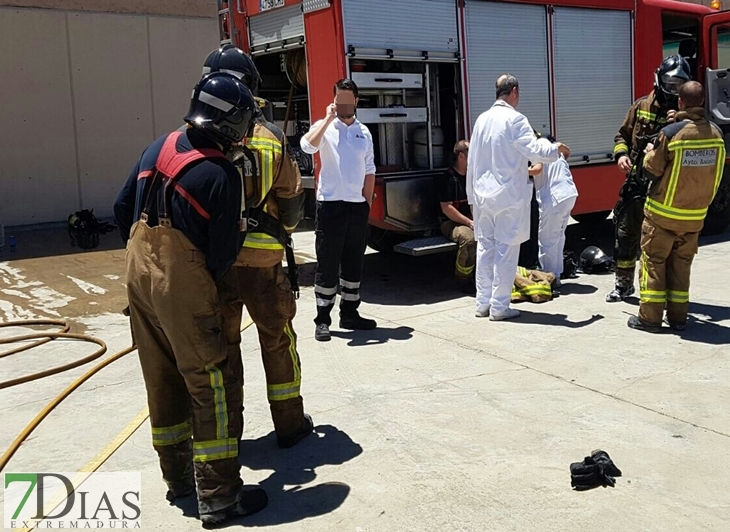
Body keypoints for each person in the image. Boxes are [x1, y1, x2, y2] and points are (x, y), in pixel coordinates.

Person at [113, 73, 268, 526]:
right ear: (228, 123)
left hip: (137, 276)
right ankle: (219, 497)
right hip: (181, 286)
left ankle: (178, 480)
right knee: (210, 384)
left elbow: (123, 208)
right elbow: (222, 254)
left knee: (161, 379)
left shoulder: (157, 146)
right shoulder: (220, 174)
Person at [201, 45, 314, 449]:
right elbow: (292, 203)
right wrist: (276, 227)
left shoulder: (197, 135)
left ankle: (229, 431)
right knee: (277, 339)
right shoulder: (270, 138)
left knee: (222, 347)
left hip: (215, 263)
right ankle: (289, 424)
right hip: (264, 263)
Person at [467, 74, 570, 321]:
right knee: (505, 252)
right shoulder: (515, 120)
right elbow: (535, 150)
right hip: (508, 199)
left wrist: (472, 197)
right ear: (514, 91)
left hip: (483, 197)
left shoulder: (481, 120)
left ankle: (482, 304)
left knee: (486, 250)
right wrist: (557, 149)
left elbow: (472, 161)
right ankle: (500, 307)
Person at [628, 81, 726, 333]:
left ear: (681, 102)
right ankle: (678, 318)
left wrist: (650, 150)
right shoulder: (717, 134)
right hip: (695, 216)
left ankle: (649, 318)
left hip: (663, 214)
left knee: (654, 263)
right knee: (682, 267)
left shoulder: (672, 133)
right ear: (702, 102)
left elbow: (652, 169)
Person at [608, 54, 691, 302]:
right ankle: (623, 285)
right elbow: (621, 135)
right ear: (659, 80)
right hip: (637, 183)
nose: (673, 90)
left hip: (666, 188)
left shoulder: (687, 115)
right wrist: (622, 156)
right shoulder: (641, 106)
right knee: (625, 233)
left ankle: (660, 291)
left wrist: (680, 122)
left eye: (679, 85)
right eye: (670, 83)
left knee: (661, 244)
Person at [301, 78, 377, 342]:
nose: (343, 103)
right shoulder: (325, 129)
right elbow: (307, 146)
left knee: (354, 261)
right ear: (334, 101)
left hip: (357, 207)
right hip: (331, 206)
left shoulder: (363, 132)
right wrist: (325, 120)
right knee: (328, 262)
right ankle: (323, 319)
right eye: (338, 99)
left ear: (356, 100)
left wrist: (367, 202)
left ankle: (350, 313)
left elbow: (370, 169)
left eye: (348, 98)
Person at [533, 134, 579, 285]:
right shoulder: (554, 149)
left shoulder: (538, 147)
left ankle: (549, 277)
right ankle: (557, 274)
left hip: (554, 198)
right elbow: (566, 151)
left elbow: (537, 169)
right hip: (569, 194)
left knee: (546, 239)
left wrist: (513, 171)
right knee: (559, 236)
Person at [435, 140, 476, 293]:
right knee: (469, 239)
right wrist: (469, 222)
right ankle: (463, 279)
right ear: (461, 156)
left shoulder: (472, 177)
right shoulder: (447, 178)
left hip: (471, 219)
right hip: (451, 222)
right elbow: (447, 208)